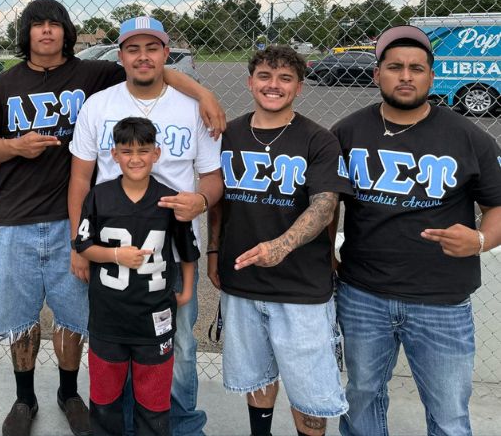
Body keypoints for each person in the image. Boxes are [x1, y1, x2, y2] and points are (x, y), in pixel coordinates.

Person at [0, 0, 224, 436]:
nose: (47, 32)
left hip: (160, 243)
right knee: (97, 337)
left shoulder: (106, 79)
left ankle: (166, 419)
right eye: (38, 25)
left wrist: (203, 93)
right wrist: (78, 241)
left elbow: (157, 77)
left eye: (55, 24)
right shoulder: (49, 90)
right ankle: (55, 404)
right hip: (88, 237)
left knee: (172, 342)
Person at [331, 25, 501, 436]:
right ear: (377, 74)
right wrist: (324, 256)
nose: (406, 76)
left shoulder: (468, 136)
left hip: (441, 301)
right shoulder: (347, 132)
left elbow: (497, 206)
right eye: (395, 67)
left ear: (431, 75)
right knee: (362, 398)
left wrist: (480, 240)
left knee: (448, 415)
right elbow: (324, 204)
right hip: (362, 295)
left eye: (416, 68)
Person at [68, 16, 221, 436]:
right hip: (110, 243)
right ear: (120, 56)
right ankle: (125, 424)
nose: (142, 56)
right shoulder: (100, 105)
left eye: (152, 48)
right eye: (133, 49)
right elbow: (81, 178)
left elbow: (212, 175)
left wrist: (202, 199)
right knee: (115, 343)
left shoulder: (191, 107)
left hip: (169, 241)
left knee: (180, 344)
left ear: (166, 53)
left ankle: (180, 423)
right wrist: (75, 243)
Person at [207, 45, 349, 436]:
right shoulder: (230, 134)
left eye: (285, 78)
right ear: (251, 82)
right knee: (256, 375)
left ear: (299, 87)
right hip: (243, 281)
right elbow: (218, 202)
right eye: (265, 77)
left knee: (311, 390)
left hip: (301, 287)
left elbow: (324, 206)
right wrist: (214, 251)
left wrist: (281, 246)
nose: (274, 85)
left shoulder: (317, 140)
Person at [74, 117, 200, 436]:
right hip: (108, 317)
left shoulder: (170, 199)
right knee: (104, 400)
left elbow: (187, 250)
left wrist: (184, 291)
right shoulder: (99, 197)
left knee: (154, 403)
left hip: (154, 314)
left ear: (156, 154)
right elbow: (83, 245)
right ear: (114, 155)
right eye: (126, 151)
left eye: (143, 150)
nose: (135, 158)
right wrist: (116, 255)